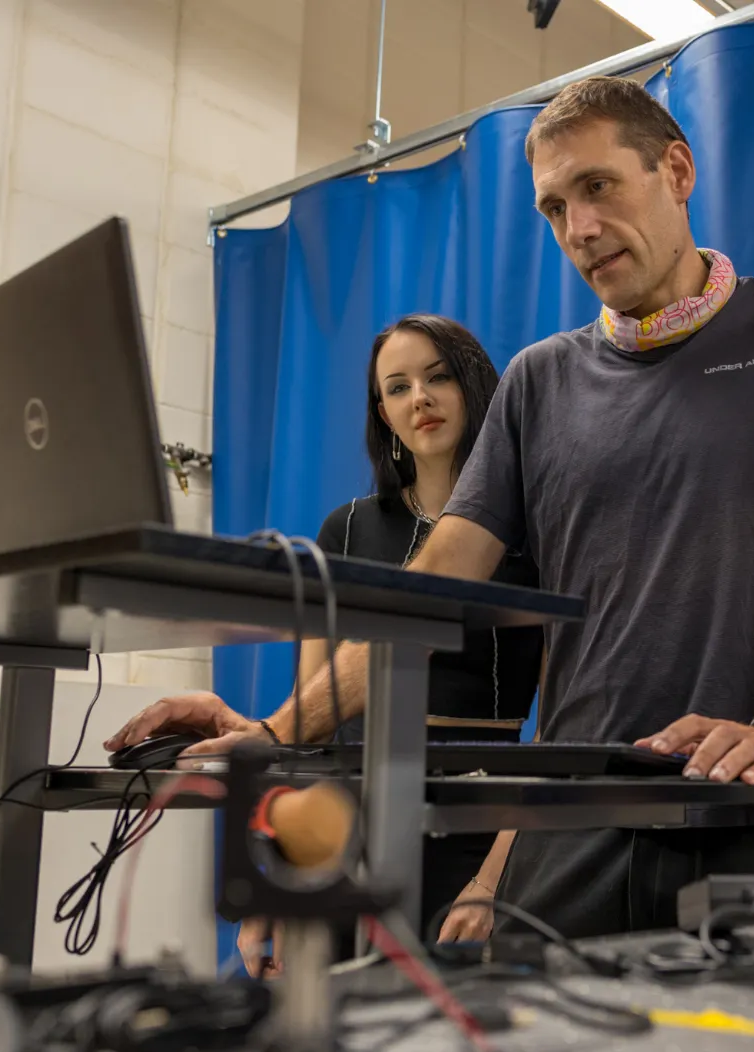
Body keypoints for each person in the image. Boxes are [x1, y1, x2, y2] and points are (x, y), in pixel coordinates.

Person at [108, 74, 754, 941]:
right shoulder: (540, 378)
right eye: (554, 208)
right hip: (575, 824)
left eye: (599, 187)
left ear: (677, 171)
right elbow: (433, 586)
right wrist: (274, 731)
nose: (580, 229)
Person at [149, 314, 544, 976]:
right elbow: (308, 738)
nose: (419, 397)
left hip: (476, 826)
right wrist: (279, 880)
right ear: (382, 414)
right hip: (344, 826)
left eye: (438, 376)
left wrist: (492, 882)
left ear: (477, 386)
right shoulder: (348, 529)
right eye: (397, 387)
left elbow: (558, 727)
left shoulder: (534, 530)